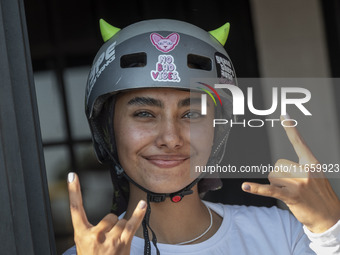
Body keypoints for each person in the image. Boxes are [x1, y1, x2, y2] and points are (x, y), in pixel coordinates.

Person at [64, 19, 340, 255]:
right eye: (145, 114)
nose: (170, 138)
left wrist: (331, 230)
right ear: (107, 131)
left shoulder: (285, 235)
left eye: (192, 114)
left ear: (218, 129)